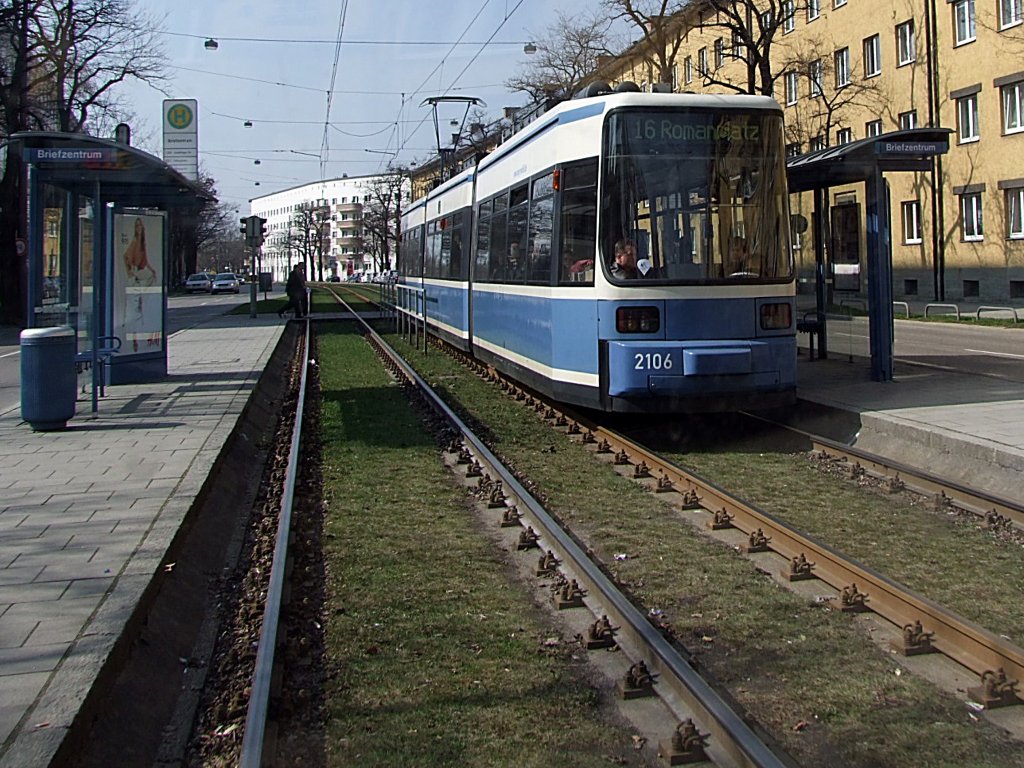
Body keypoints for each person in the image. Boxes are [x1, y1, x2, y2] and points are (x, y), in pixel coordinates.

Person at [123, 217, 157, 286]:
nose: (139, 227)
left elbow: (145, 260)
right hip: (135, 270)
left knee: (151, 276)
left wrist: (152, 270)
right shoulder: (135, 240)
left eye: (140, 225)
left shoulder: (142, 242)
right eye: (137, 226)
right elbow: (125, 255)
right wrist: (129, 271)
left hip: (140, 269)